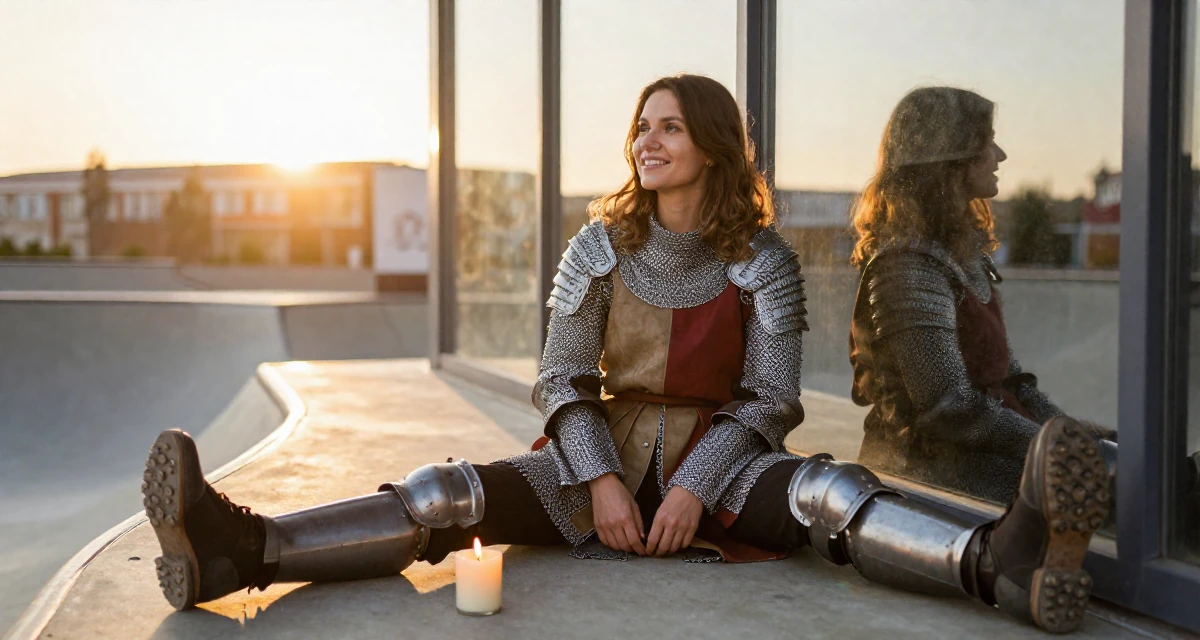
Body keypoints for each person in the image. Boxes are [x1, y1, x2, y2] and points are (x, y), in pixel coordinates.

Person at [143, 75, 1109, 634]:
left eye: (670, 126)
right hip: (592, 459)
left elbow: (771, 400)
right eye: (642, 127)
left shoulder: (761, 259)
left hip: (725, 469)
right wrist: (602, 483)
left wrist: (693, 489)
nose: (647, 141)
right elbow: (560, 380)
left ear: (714, 146)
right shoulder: (597, 244)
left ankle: (1001, 562)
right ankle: (245, 548)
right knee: (445, 495)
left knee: (832, 494)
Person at [848, 86, 1118, 504]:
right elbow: (949, 408)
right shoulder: (907, 265)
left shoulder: (957, 252)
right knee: (1138, 500)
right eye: (986, 143)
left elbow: (1011, 381)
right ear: (950, 157)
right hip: (934, 475)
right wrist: (1066, 452)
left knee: (1133, 461)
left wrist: (1074, 438)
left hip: (983, 450)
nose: (1000, 155)